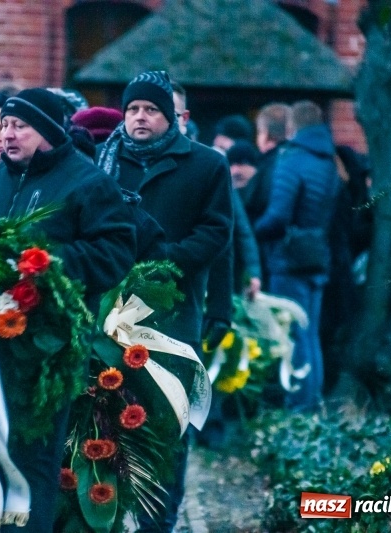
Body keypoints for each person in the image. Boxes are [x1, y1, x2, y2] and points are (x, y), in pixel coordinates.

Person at [0, 88, 136, 532]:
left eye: (20, 126)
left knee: (30, 468)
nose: (7, 134)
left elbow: (115, 252)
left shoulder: (86, 182)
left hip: (46, 353)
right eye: (3, 125)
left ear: (49, 130)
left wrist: (47, 264)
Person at [97, 70, 233, 533]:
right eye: (133, 108)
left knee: (165, 420)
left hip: (172, 316)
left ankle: (160, 520)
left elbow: (218, 233)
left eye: (151, 109)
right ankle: (105, 513)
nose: (140, 117)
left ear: (170, 118)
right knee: (107, 418)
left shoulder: (205, 165)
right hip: (110, 314)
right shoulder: (105, 163)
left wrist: (168, 264)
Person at [254, 100, 340, 412]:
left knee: (292, 337)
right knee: (310, 335)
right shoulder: (328, 161)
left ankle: (299, 409)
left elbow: (278, 216)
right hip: (317, 255)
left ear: (292, 127)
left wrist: (251, 232)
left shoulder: (292, 159)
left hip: (288, 259)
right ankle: (311, 404)